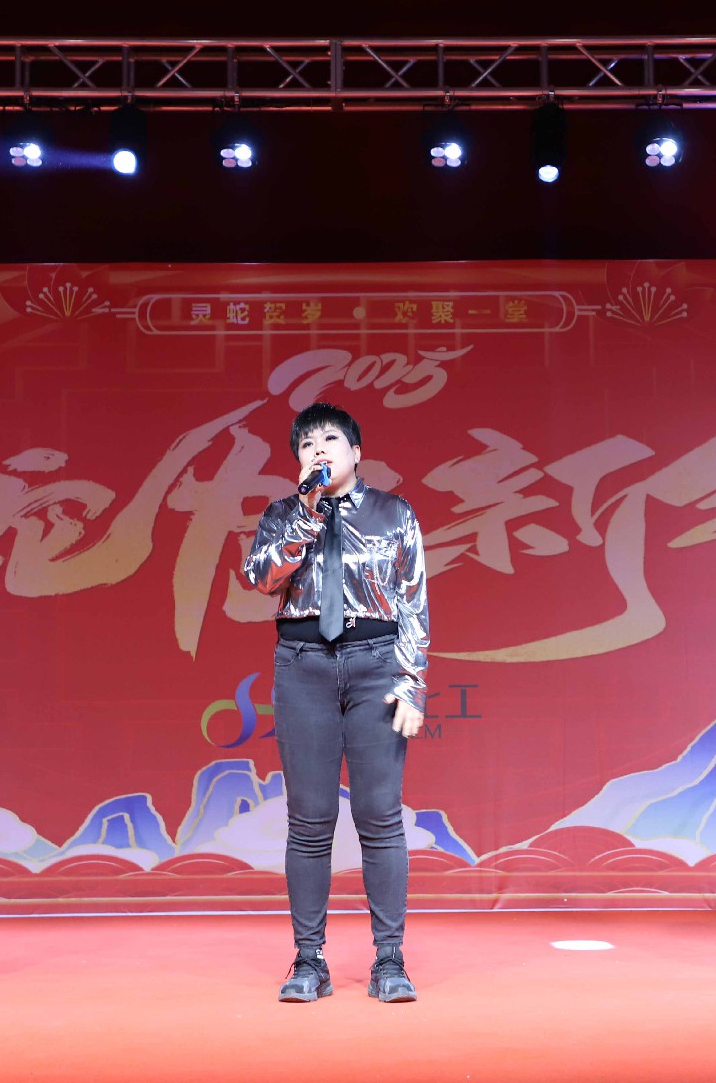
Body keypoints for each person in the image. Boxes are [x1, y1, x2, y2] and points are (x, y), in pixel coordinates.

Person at [242, 402, 428, 1004]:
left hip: (376, 665)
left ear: (356, 452)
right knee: (310, 818)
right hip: (304, 666)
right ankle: (309, 960)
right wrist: (306, 513)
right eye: (306, 445)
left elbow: (413, 603)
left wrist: (411, 683)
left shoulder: (394, 513)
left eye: (329, 440)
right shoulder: (280, 515)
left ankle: (389, 959)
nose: (317, 450)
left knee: (379, 815)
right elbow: (262, 579)